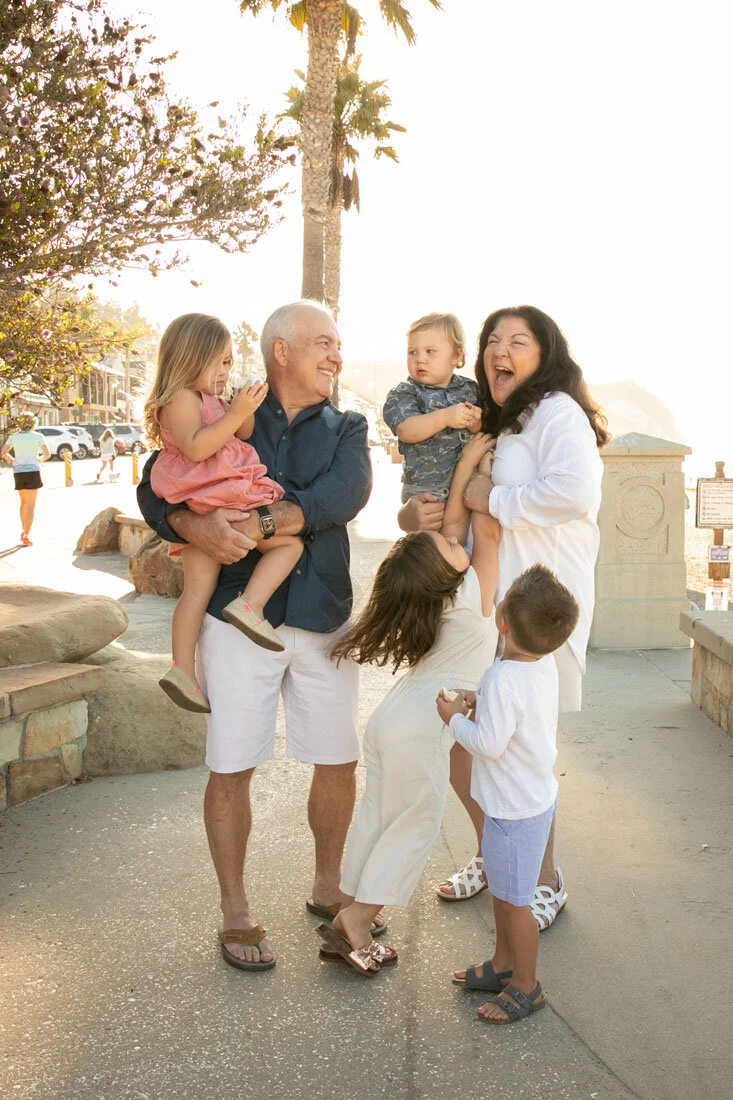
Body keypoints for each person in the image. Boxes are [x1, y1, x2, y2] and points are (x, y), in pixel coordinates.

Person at [137, 300, 372, 971]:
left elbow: (344, 496)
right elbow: (155, 488)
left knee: (336, 757)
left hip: (323, 613)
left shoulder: (349, 425)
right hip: (235, 617)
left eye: (337, 343)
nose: (335, 355)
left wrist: (270, 524)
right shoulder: (224, 408)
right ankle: (235, 909)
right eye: (323, 342)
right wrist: (189, 527)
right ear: (281, 349)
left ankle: (327, 885)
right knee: (231, 762)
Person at [400, 305, 608, 929]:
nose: (501, 349)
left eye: (518, 341)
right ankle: (500, 855)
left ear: (545, 356)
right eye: (493, 339)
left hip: (538, 612)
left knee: (523, 752)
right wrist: (417, 518)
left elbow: (575, 493)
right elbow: (451, 506)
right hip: (485, 608)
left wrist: (490, 497)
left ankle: (545, 879)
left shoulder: (557, 413)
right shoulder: (501, 423)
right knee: (469, 744)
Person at [316, 431, 498, 976]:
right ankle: (357, 920)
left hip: (393, 719)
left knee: (379, 815)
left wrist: (465, 459)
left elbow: (460, 528)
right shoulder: (470, 600)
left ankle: (350, 910)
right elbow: (482, 524)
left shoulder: (445, 595)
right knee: (414, 825)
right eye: (448, 547)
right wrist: (484, 464)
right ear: (444, 574)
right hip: (419, 727)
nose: (455, 541)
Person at [437, 564, 579, 1024]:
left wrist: (453, 719)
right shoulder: (541, 666)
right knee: (503, 890)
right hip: (530, 801)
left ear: (502, 621)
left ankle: (526, 985)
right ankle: (502, 964)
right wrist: (481, 702)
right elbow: (516, 716)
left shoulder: (501, 679)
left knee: (517, 902)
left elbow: (487, 745)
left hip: (511, 812)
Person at [142, 313, 303, 713]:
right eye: (220, 362)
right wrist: (231, 415)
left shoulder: (214, 399)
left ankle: (242, 611)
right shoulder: (181, 398)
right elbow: (197, 448)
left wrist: (241, 405)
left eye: (230, 362)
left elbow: (244, 433)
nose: (225, 371)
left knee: (282, 548)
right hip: (208, 499)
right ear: (190, 358)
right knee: (201, 587)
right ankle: (186, 665)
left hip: (226, 498)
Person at [382, 313, 482, 503]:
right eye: (412, 352)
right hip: (427, 489)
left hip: (468, 482)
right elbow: (406, 430)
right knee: (430, 533)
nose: (420, 359)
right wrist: (444, 418)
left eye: (430, 351)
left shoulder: (470, 389)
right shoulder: (405, 392)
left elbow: (484, 431)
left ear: (456, 355)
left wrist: (476, 422)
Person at [1, 415, 51, 545]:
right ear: (34, 423)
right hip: (32, 471)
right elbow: (47, 455)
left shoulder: (13, 437)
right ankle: (26, 534)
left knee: (23, 502)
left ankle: (23, 529)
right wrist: (38, 459)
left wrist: (12, 460)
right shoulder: (38, 436)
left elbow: (2, 453)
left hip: (18, 472)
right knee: (30, 504)